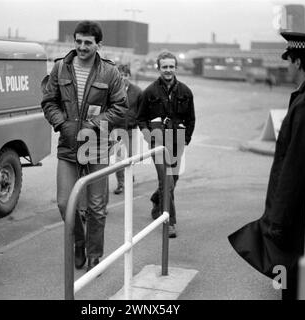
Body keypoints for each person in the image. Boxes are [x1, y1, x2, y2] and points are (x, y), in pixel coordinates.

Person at [228, 32, 305, 300]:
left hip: (293, 215)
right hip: (298, 212)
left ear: (298, 62)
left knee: (287, 279)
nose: (287, 66)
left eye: (289, 60)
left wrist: (277, 220)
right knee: (286, 276)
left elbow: (294, 167)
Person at [41, 21, 127, 272]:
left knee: (97, 207)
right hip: (68, 146)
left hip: (97, 145)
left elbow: (120, 108)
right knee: (64, 203)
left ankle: (94, 255)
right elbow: (48, 102)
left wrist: (94, 124)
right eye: (78, 41)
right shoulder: (60, 68)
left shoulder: (110, 72)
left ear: (98, 45)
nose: (82, 46)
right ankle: (79, 242)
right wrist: (62, 125)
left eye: (88, 42)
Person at [137, 51, 195, 238]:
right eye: (164, 67)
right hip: (158, 143)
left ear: (175, 68)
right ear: (159, 68)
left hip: (177, 142)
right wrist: (149, 138)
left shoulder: (186, 92)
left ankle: (156, 198)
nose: (168, 70)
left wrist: (185, 139)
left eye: (171, 66)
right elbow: (141, 118)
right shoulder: (149, 92)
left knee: (172, 180)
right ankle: (170, 222)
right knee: (166, 180)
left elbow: (191, 119)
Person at [113, 64, 142, 195]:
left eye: (125, 75)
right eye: (120, 75)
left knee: (130, 157)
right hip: (117, 130)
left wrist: (136, 121)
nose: (123, 78)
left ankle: (129, 174)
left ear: (129, 76)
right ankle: (121, 183)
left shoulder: (137, 91)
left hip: (131, 130)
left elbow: (141, 110)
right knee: (119, 159)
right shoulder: (112, 91)